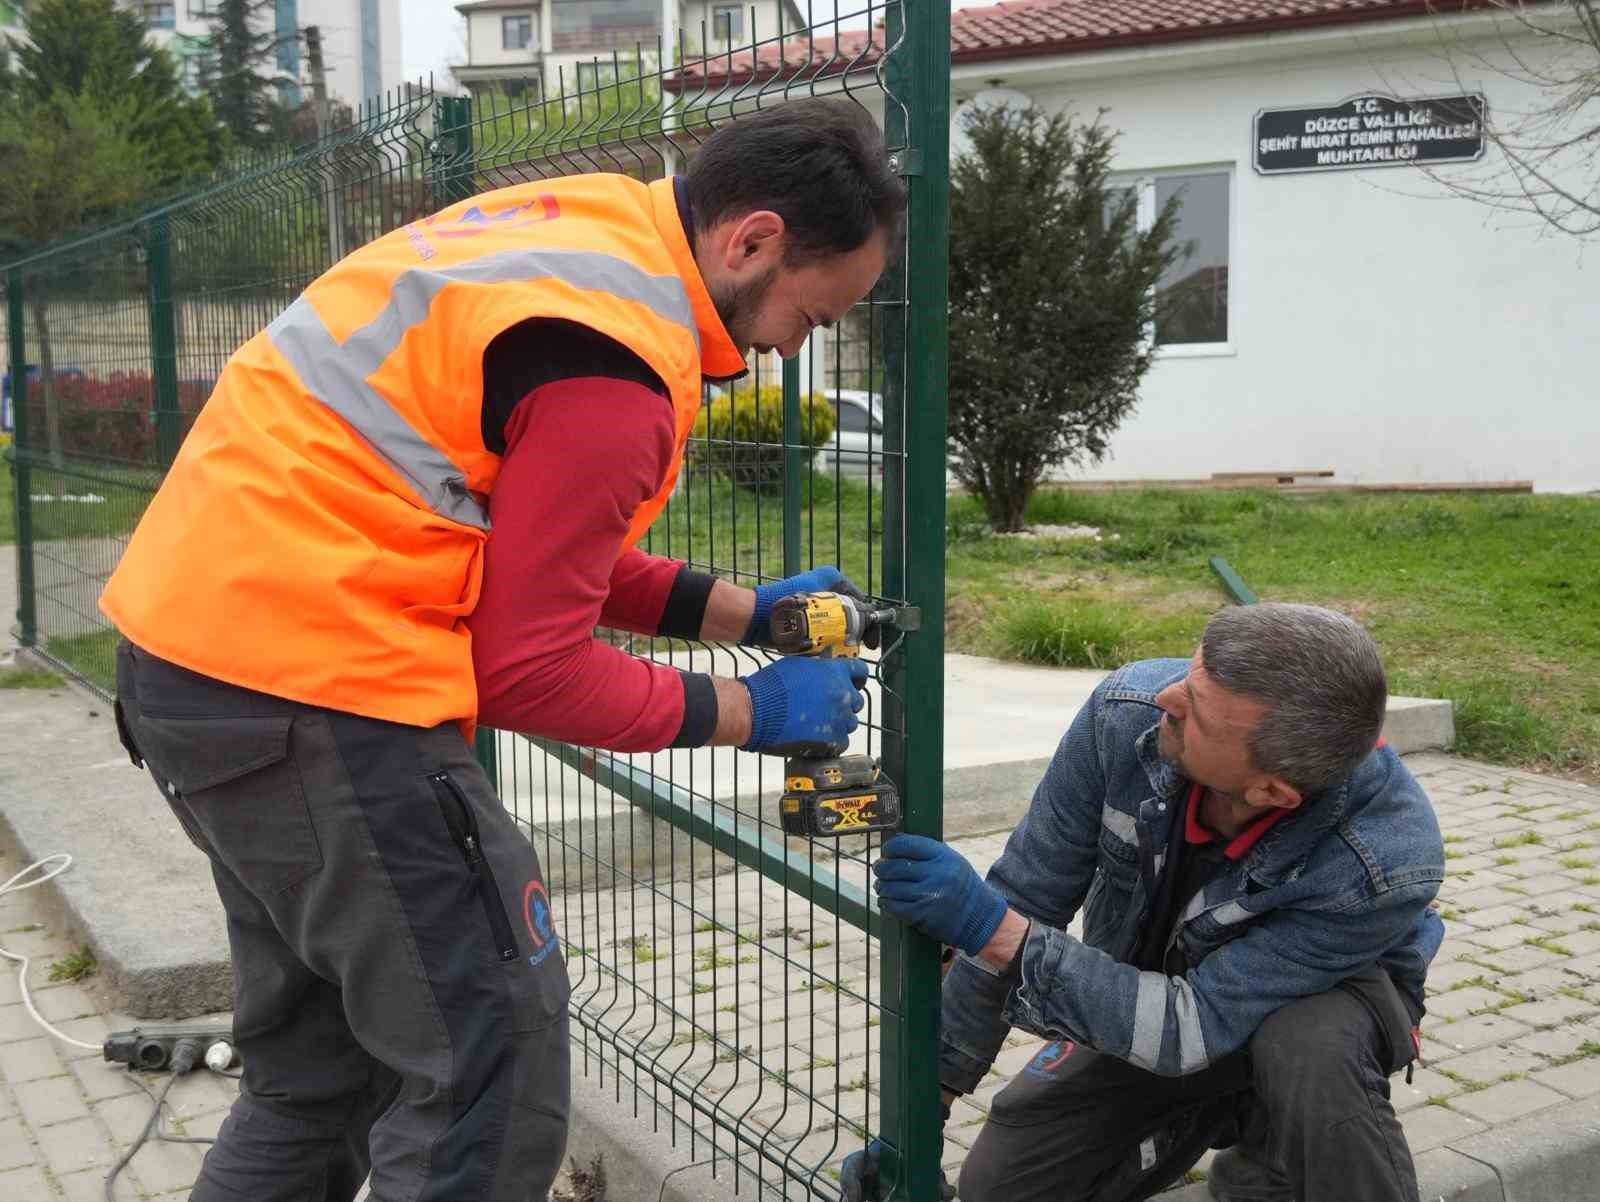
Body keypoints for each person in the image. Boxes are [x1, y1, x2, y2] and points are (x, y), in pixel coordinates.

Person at [102, 98, 904, 1202]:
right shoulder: (617, 367)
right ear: (752, 240)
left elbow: (515, 539)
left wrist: (744, 612)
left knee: (318, 1074)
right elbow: (529, 666)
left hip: (196, 668)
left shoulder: (585, 237)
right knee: (493, 1064)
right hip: (319, 694)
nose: (785, 349)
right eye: (810, 317)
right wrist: (752, 711)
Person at [854, 602, 1445, 1202]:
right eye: (1190, 677)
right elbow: (1031, 893)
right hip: (1157, 997)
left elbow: (1191, 1023)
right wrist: (925, 1111)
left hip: (1304, 1013)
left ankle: (1280, 1148)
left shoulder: (1379, 861)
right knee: (1004, 1187)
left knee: (1307, 1048)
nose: (1168, 699)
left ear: (1271, 791)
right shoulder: (1124, 717)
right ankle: (1212, 1106)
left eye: (1199, 712)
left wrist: (996, 930)